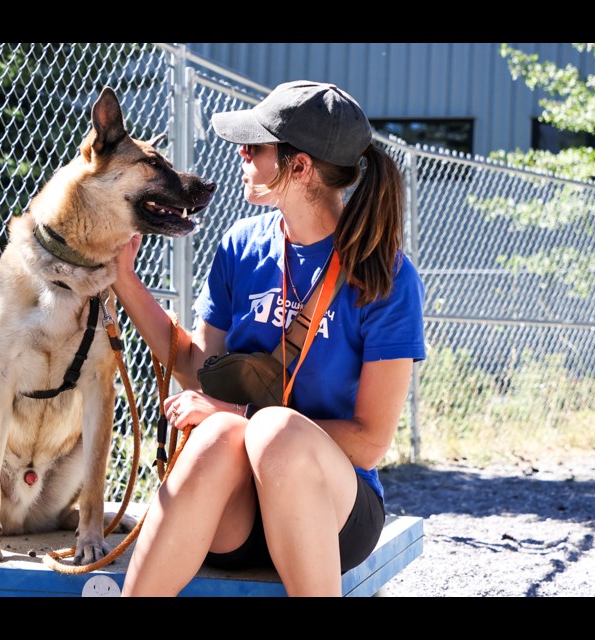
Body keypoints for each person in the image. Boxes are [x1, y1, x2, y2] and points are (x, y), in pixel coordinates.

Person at [112, 80, 426, 597]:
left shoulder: (385, 276)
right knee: (217, 437)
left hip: (334, 511)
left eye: (256, 147)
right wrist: (126, 280)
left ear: (299, 167)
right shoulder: (242, 245)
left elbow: (369, 443)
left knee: (272, 431)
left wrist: (239, 418)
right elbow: (196, 365)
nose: (241, 153)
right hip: (238, 513)